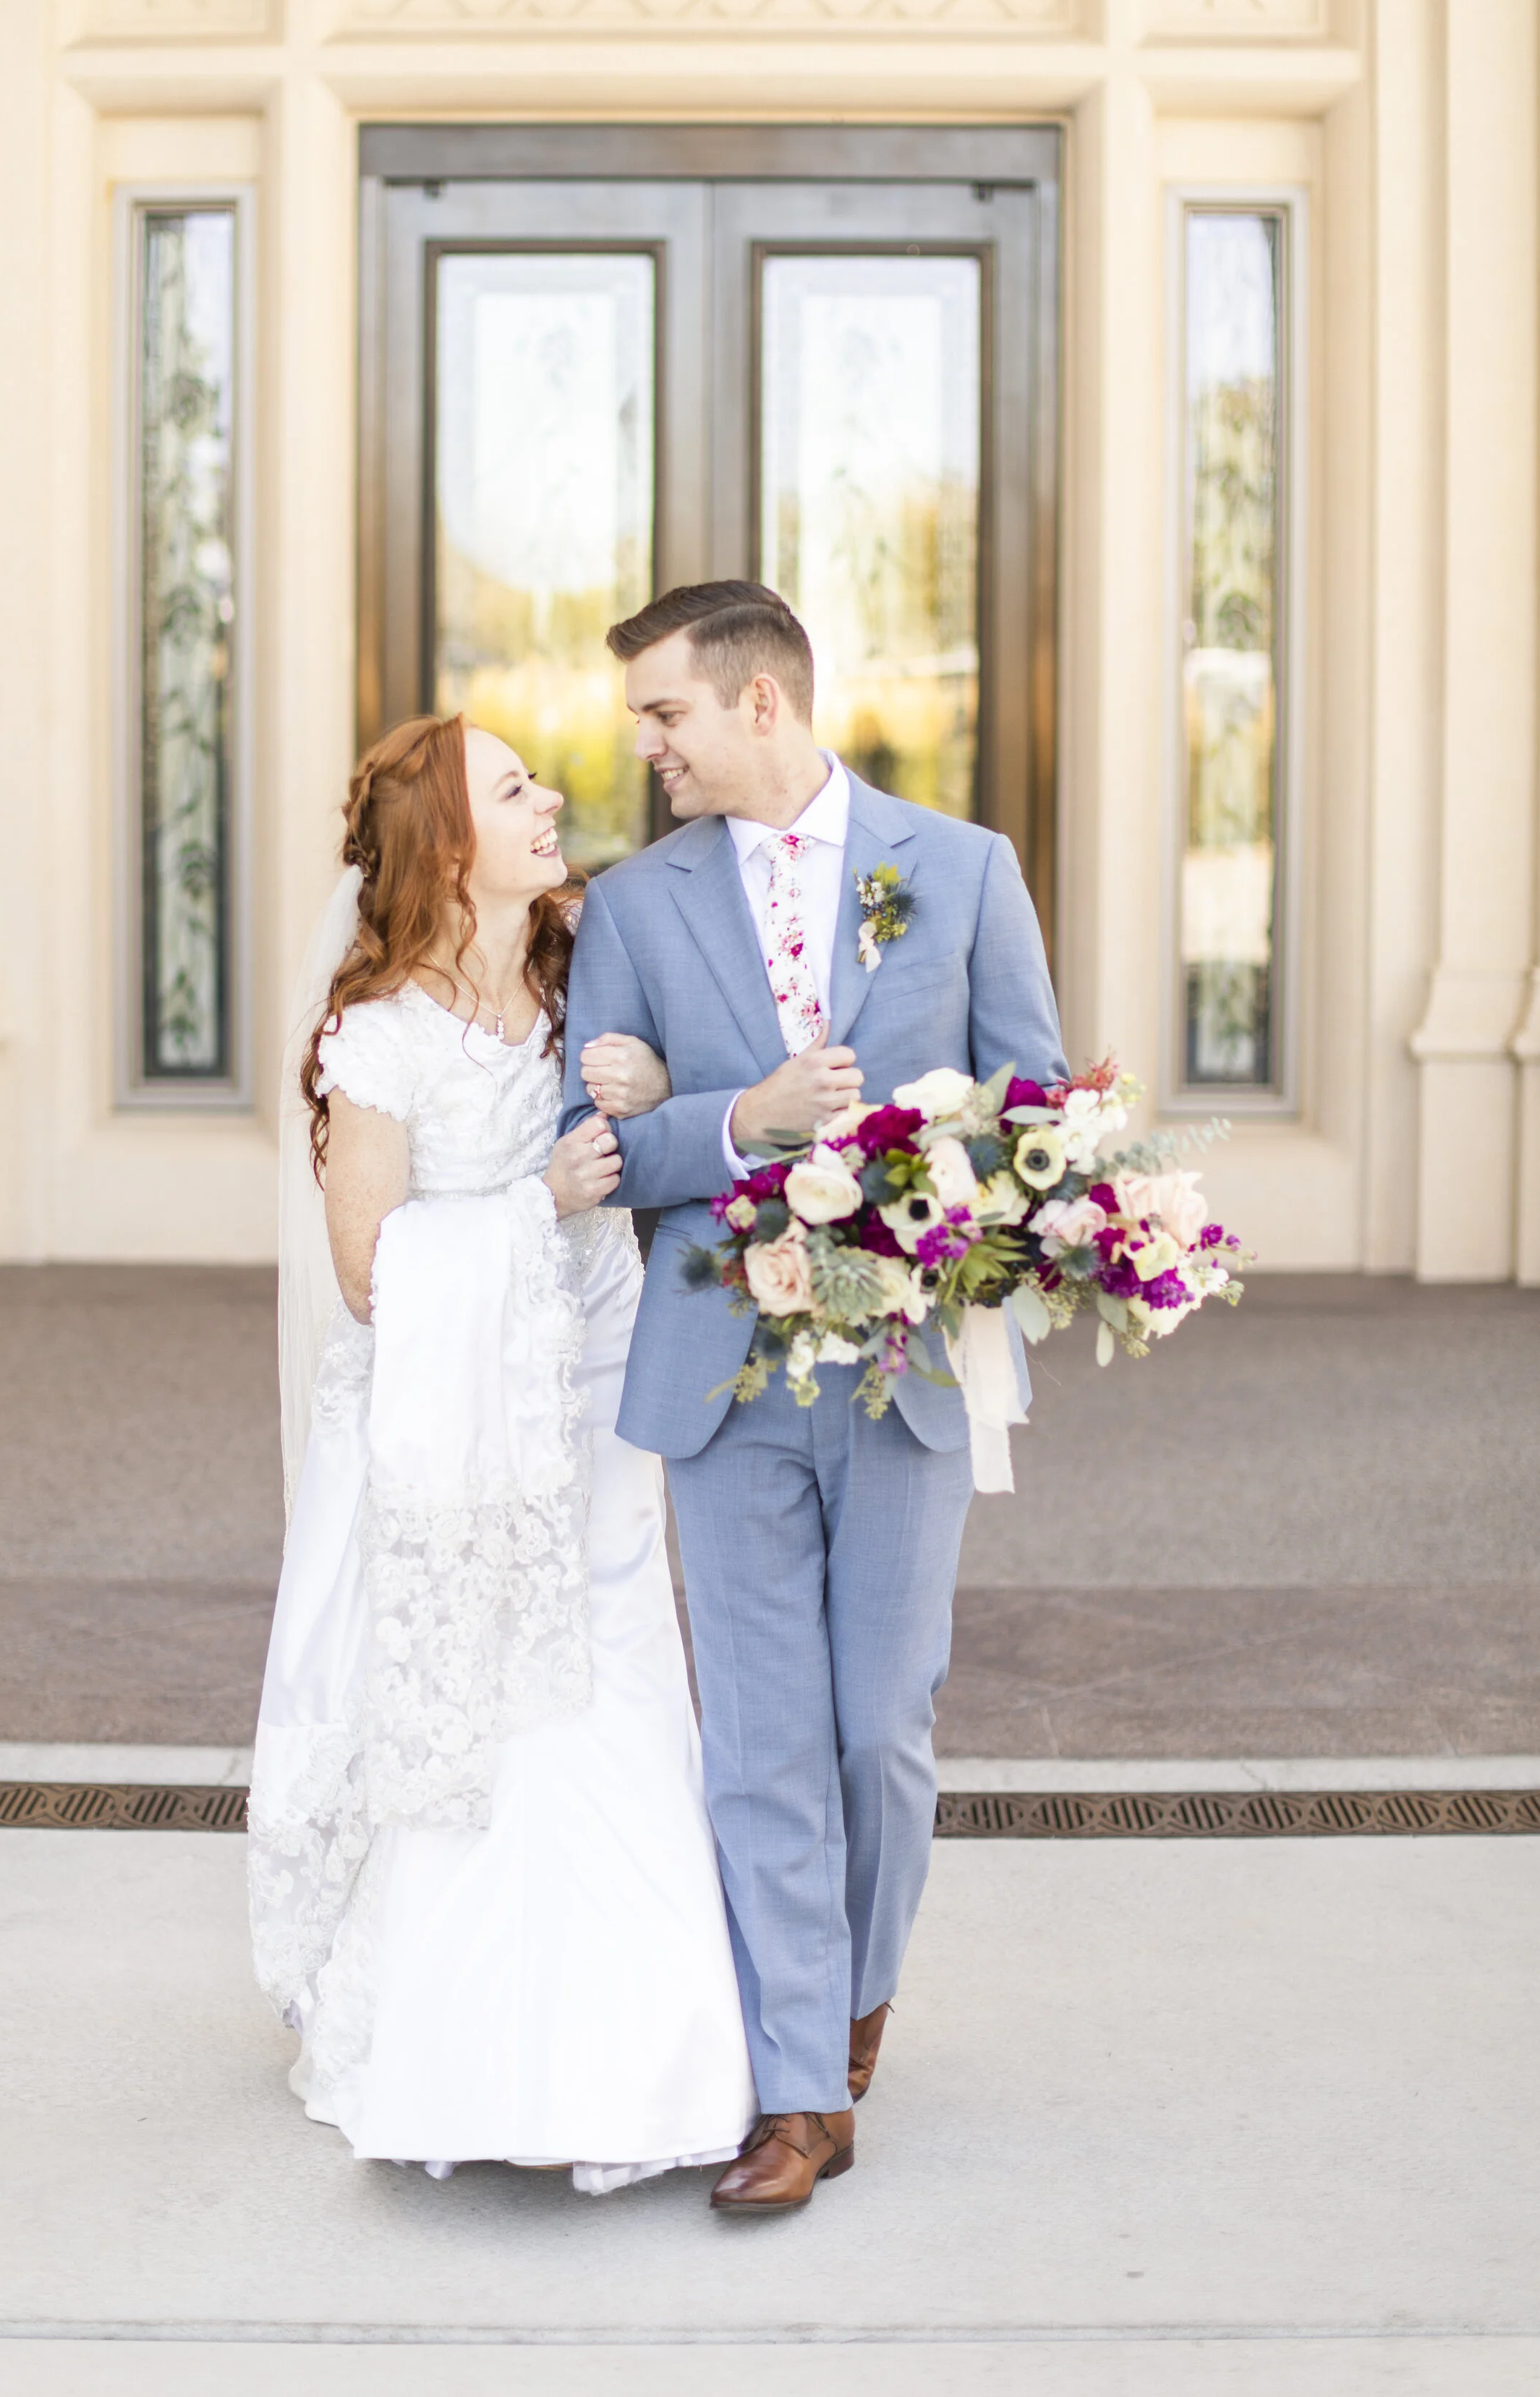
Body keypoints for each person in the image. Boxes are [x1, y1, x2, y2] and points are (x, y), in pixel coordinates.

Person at [563, 580, 1068, 2213]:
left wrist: (939, 1196)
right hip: (717, 1367)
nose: (643, 746)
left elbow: (1030, 1114)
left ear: (757, 703)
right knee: (757, 1739)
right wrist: (745, 1121)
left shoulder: (963, 868)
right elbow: (598, 1154)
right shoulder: (632, 906)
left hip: (902, 1367)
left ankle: (854, 1991)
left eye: (664, 715)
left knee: (878, 1725)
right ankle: (793, 2090)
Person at [250, 712, 755, 2193]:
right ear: (450, 849)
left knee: (613, 1688)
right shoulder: (379, 1036)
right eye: (515, 790)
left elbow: (691, 1096)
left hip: (601, 1408)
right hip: (445, 1434)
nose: (553, 803)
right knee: (486, 1715)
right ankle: (472, 2050)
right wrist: (533, 1203)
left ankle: (653, 2050)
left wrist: (660, 1101)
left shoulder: (584, 962)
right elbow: (366, 1276)